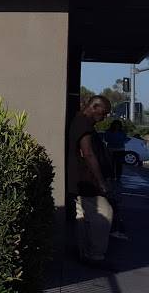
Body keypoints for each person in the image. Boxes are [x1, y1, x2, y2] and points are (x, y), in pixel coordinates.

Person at [68, 95, 114, 268]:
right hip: (86, 181)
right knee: (104, 213)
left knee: (82, 216)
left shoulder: (78, 121)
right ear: (94, 107)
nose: (105, 117)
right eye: (104, 112)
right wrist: (101, 182)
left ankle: (85, 253)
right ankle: (95, 255)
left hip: (78, 181)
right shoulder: (84, 125)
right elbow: (88, 153)